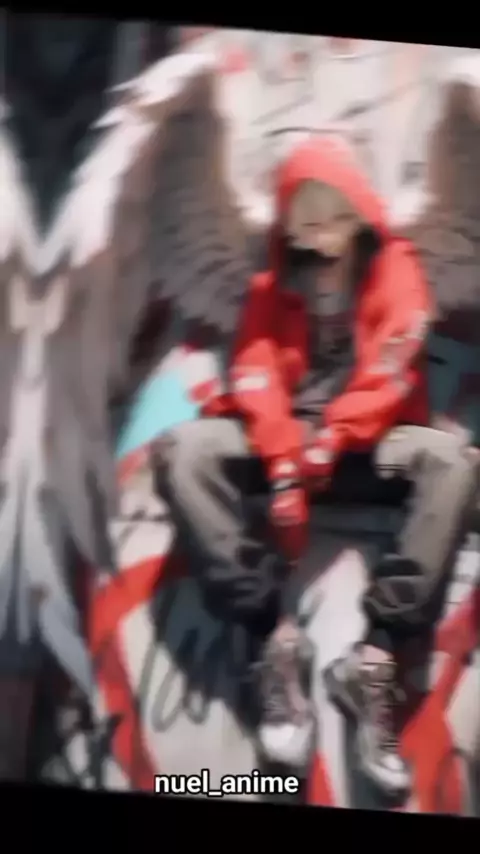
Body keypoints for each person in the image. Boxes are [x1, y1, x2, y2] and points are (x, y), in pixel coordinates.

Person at [152, 138, 479, 797]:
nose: (320, 237)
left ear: (358, 214)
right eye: (305, 224)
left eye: (333, 219)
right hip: (284, 446)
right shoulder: (270, 285)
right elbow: (256, 375)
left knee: (451, 461)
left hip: (369, 445)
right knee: (182, 451)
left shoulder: (397, 272)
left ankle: (375, 658)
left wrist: (332, 441)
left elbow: (390, 372)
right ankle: (273, 639)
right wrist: (283, 464)